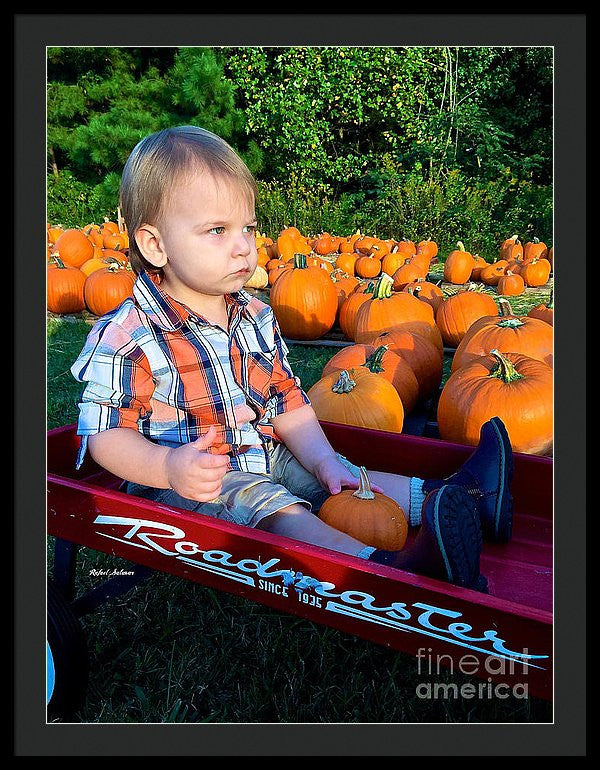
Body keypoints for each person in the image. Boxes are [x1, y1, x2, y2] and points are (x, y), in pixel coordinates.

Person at [71, 125, 513, 594]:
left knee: (339, 476)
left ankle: (468, 499)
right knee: (276, 506)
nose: (244, 246)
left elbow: (286, 400)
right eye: (217, 231)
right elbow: (106, 436)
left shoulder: (255, 314)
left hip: (264, 451)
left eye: (249, 228)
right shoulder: (128, 334)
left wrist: (324, 460)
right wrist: (167, 468)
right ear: (155, 245)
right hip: (189, 483)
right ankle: (387, 570)